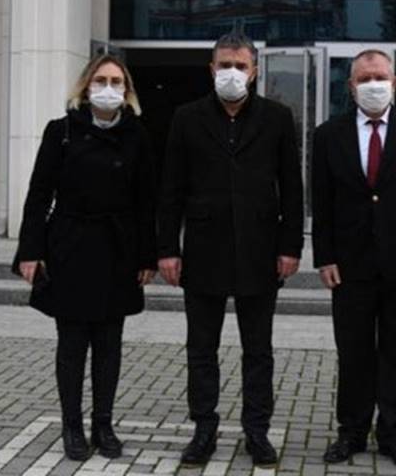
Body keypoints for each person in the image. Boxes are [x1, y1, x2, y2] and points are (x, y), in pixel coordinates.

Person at [156, 31, 304, 467]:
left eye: (240, 66)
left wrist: (290, 246)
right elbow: (171, 188)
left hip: (261, 251)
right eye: (225, 65)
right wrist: (167, 248)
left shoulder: (277, 117)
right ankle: (204, 429)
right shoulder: (187, 117)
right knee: (201, 349)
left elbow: (292, 188)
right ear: (211, 69)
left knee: (258, 350)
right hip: (203, 251)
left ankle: (257, 431)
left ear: (254, 71)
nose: (232, 73)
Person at [12, 55, 157, 462]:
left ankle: (103, 424)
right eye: (101, 80)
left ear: (127, 91)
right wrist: (30, 251)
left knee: (109, 345)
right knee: (72, 345)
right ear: (85, 86)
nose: (108, 88)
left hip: (118, 250)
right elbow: (39, 195)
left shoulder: (137, 136)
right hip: (70, 247)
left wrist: (147, 255)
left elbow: (147, 201)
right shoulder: (60, 131)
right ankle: (72, 426)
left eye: (116, 81)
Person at [310, 49, 396, 469]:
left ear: (394, 82)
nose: (373, 84)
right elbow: (322, 201)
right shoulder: (328, 134)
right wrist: (324, 257)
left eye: (380, 77)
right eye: (364, 78)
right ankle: (351, 431)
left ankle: (392, 433)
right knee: (353, 352)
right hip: (349, 266)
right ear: (351, 86)